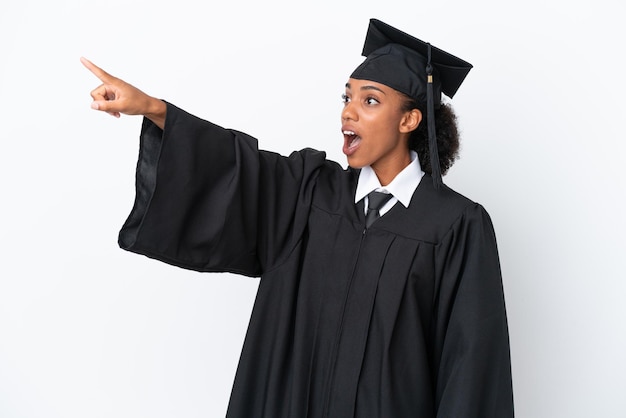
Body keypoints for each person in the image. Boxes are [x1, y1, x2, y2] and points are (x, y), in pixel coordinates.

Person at [83, 18, 514, 418]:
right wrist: (155, 109)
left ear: (409, 119)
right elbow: (237, 168)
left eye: (369, 101)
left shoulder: (456, 226)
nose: (349, 111)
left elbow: (472, 368)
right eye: (347, 97)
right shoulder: (308, 193)